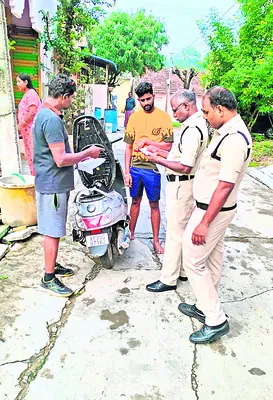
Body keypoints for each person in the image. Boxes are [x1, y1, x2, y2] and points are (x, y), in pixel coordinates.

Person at [178, 86, 252, 344]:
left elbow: (225, 185)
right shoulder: (225, 132)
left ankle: (215, 320)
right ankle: (205, 305)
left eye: (207, 111)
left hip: (212, 211)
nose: (205, 116)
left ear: (220, 109)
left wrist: (204, 223)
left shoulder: (234, 139)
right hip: (211, 208)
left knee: (193, 261)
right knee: (212, 260)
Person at [33, 74, 102, 297]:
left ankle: (53, 266)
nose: (71, 101)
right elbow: (61, 159)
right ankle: (48, 277)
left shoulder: (45, 113)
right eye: (71, 97)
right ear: (63, 97)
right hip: (52, 185)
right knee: (52, 232)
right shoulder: (51, 120)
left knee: (53, 230)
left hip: (51, 182)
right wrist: (87, 154)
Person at [145, 89, 208, 292]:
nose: (174, 115)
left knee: (174, 233)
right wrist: (160, 151)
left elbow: (185, 165)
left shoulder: (192, 129)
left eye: (175, 110)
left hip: (182, 184)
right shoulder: (198, 125)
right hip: (186, 184)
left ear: (186, 106)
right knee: (181, 231)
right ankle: (181, 271)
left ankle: (168, 278)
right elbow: (180, 155)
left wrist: (156, 159)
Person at [124, 82, 173, 254]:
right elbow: (128, 147)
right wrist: (126, 172)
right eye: (142, 100)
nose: (146, 103)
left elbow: (168, 146)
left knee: (154, 204)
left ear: (153, 96)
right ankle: (130, 234)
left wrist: (148, 142)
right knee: (135, 201)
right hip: (135, 168)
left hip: (154, 168)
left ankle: (156, 240)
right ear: (138, 100)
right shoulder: (134, 118)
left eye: (148, 98)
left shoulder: (164, 117)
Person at [17, 73, 42, 175]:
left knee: (34, 155)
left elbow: (32, 112)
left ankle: (38, 179)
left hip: (32, 131)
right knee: (31, 155)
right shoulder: (27, 94)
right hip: (27, 132)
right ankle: (35, 178)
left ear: (26, 82)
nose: (17, 84)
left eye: (19, 81)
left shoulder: (31, 93)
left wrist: (21, 124)